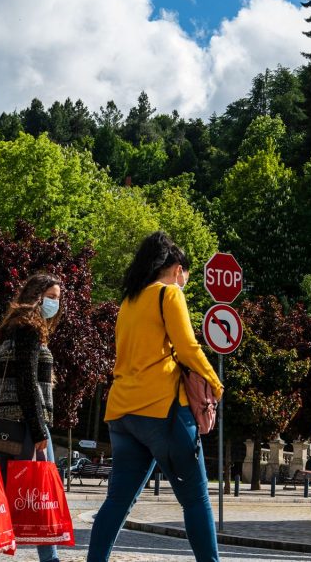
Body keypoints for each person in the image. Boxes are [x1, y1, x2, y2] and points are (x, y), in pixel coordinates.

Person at [87, 231, 224, 562]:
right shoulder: (169, 294)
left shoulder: (128, 302)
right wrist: (215, 384)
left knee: (118, 501)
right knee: (195, 499)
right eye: (185, 279)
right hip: (162, 410)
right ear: (177, 269)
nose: (183, 285)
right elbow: (189, 348)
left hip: (122, 412)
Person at [0, 273, 63, 562]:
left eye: (58, 298)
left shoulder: (9, 330)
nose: (55, 303)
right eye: (51, 297)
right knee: (44, 493)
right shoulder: (29, 328)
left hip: (0, 424)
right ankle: (49, 557)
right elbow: (27, 381)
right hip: (26, 424)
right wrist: (40, 429)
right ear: (37, 295)